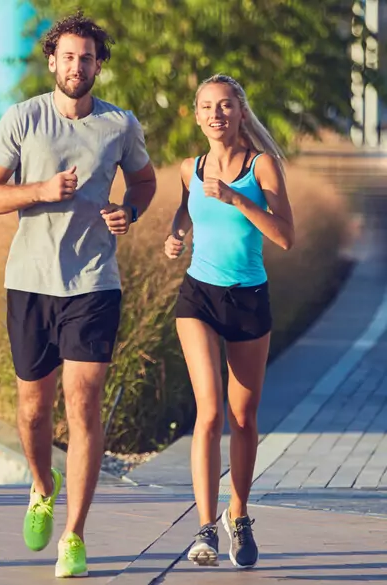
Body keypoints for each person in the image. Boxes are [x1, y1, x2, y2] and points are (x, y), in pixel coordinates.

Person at [0, 10, 157, 579]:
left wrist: (129, 209)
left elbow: (146, 181)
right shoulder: (22, 119)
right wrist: (40, 190)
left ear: (99, 65)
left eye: (88, 57)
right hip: (29, 282)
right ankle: (40, 486)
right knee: (33, 410)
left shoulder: (119, 125)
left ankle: (74, 536)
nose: (78, 66)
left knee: (83, 403)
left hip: (94, 284)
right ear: (53, 61)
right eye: (69, 57)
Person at [164, 74, 294, 570]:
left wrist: (238, 199)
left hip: (249, 299)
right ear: (196, 116)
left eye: (225, 106)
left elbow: (286, 237)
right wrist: (176, 235)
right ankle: (205, 527)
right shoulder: (188, 167)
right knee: (211, 412)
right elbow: (185, 210)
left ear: (240, 113)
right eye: (206, 107)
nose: (216, 114)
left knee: (243, 418)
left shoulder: (264, 167)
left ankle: (238, 516)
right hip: (198, 296)